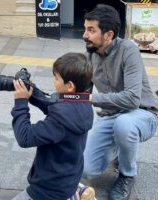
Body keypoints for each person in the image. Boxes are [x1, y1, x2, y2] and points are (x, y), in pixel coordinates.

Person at [82, 4, 158, 200]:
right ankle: (120, 150)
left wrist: (93, 98)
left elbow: (133, 99)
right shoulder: (90, 55)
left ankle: (127, 175)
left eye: (91, 30)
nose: (85, 35)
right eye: (85, 29)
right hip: (110, 116)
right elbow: (82, 95)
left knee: (124, 124)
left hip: (142, 114)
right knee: (86, 170)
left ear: (108, 35)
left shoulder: (129, 50)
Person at [11, 52, 96, 200]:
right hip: (68, 178)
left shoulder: (61, 118)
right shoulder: (83, 103)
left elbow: (24, 137)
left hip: (48, 190)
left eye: (56, 78)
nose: (53, 80)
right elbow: (54, 105)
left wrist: (21, 103)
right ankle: (77, 191)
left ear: (69, 86)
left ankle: (76, 195)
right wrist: (32, 92)